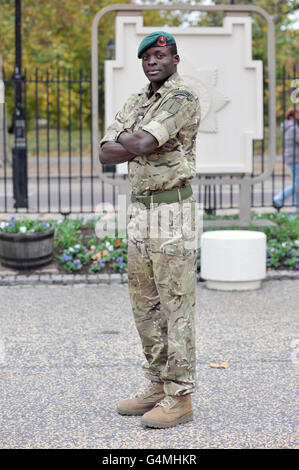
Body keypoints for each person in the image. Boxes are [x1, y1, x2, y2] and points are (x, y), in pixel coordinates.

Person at [99, 31, 201, 428]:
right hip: (141, 213)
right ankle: (158, 384)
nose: (152, 62)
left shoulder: (182, 98)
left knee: (176, 308)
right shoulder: (137, 100)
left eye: (160, 55)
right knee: (145, 307)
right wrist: (137, 142)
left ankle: (181, 396)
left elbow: (137, 142)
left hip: (173, 212)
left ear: (175, 59)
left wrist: (134, 140)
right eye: (146, 58)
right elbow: (106, 153)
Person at [273, 108, 299, 212]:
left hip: (291, 158)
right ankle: (278, 199)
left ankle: (298, 209)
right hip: (296, 159)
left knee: (298, 185)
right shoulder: (293, 128)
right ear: (292, 116)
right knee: (298, 185)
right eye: (297, 115)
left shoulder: (287, 127)